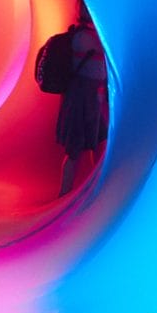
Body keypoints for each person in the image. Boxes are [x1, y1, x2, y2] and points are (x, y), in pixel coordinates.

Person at [37, 12, 110, 194]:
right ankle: (82, 190)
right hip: (83, 98)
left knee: (89, 143)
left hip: (80, 97)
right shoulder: (89, 38)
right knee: (84, 146)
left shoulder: (79, 36)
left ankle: (82, 189)